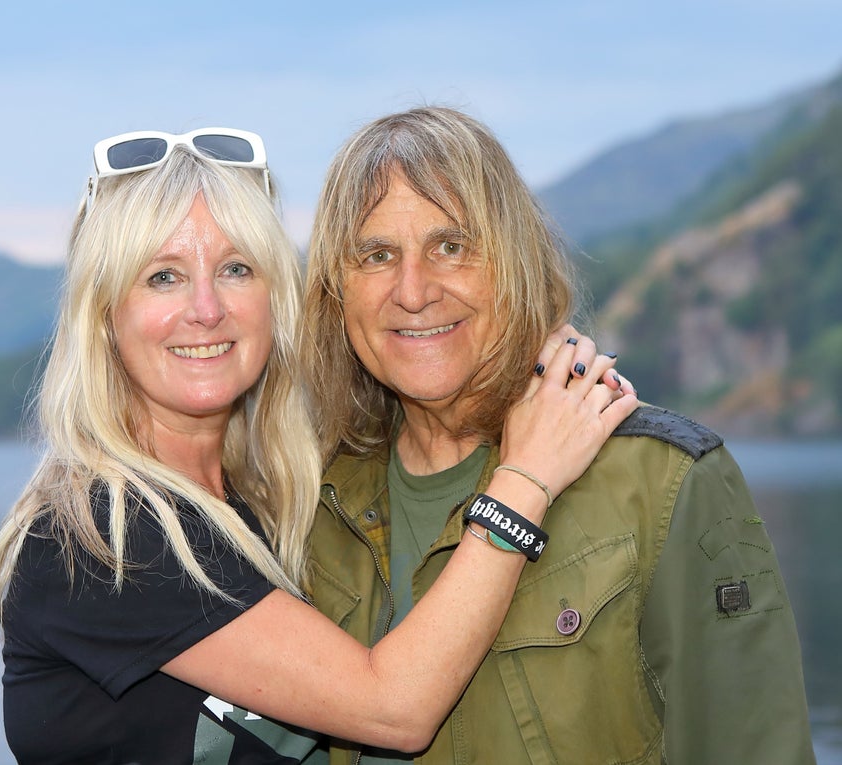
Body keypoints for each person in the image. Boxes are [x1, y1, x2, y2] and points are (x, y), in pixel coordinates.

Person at [0, 127, 638, 764]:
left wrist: (529, 360)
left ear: (276, 299)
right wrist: (526, 478)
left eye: (236, 268)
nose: (207, 308)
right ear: (103, 316)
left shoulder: (263, 501)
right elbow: (394, 707)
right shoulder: (103, 538)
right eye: (163, 276)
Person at [301, 106, 815, 765]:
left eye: (450, 246)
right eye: (377, 255)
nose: (413, 291)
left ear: (515, 262)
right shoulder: (317, 507)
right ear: (337, 293)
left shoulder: (663, 481)